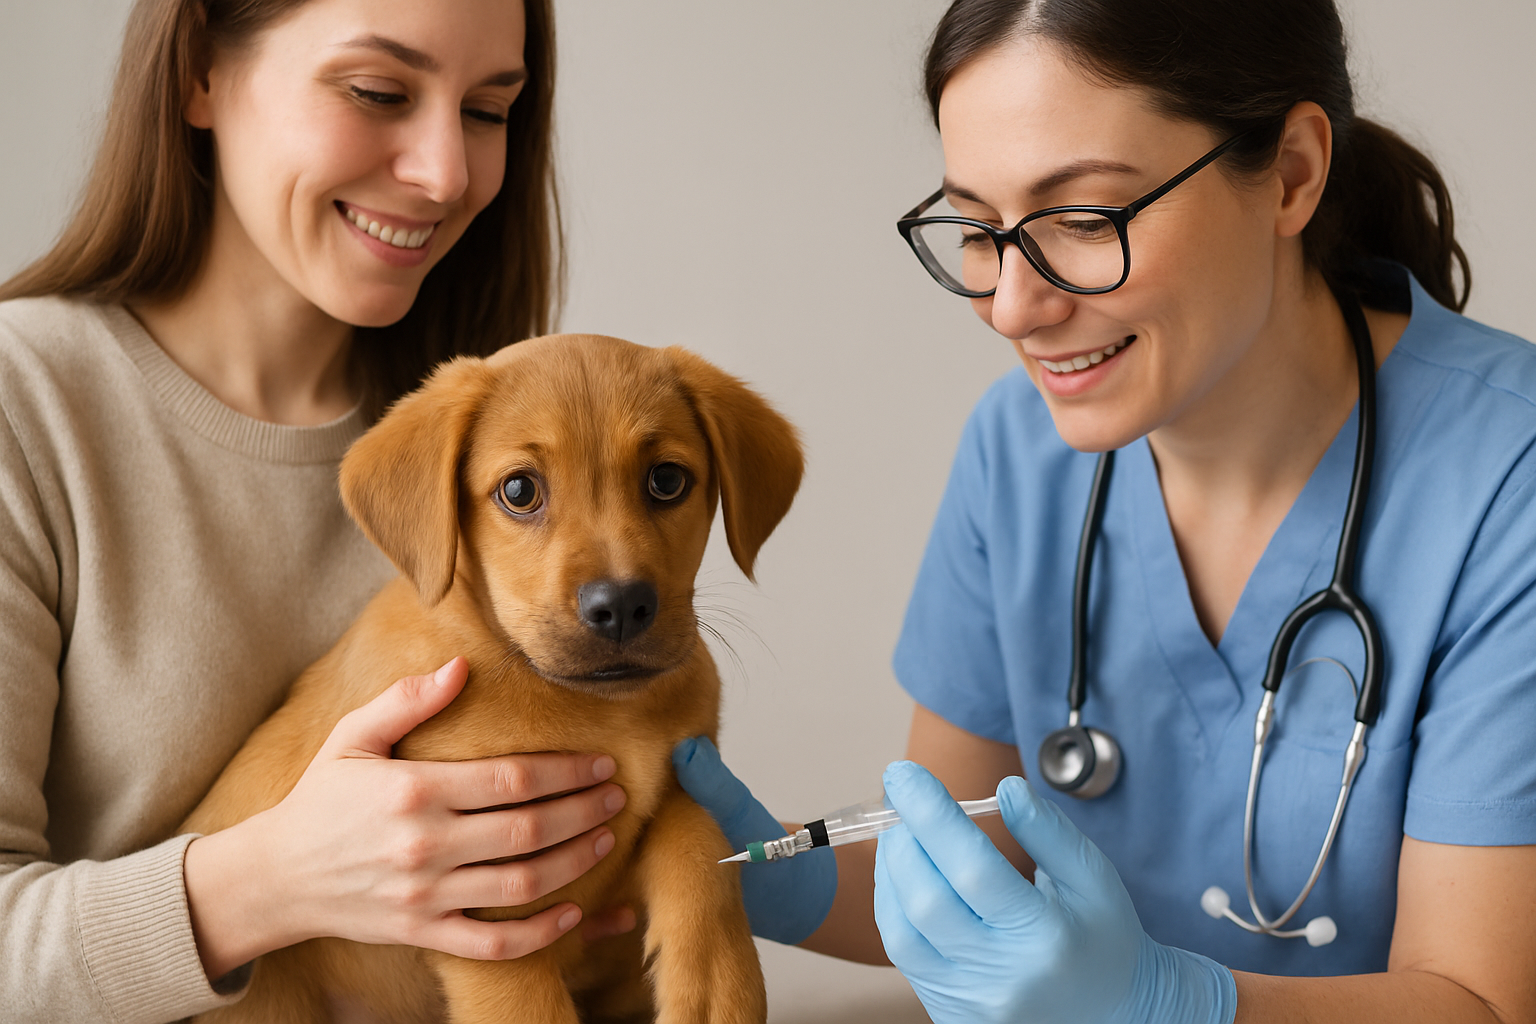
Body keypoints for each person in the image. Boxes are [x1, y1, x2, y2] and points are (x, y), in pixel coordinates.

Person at [675, 1, 1536, 1021]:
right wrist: (740, 864)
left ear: (1294, 173)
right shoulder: (1020, 451)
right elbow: (964, 863)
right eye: (981, 230)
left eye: (1084, 219)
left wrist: (1172, 1003)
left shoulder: (1505, 477)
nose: (1011, 306)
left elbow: (1482, 999)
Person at [0, 1, 634, 1021]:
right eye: (377, 92)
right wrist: (274, 881)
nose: (446, 173)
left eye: (486, 110)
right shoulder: (24, 405)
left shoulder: (500, 453)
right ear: (201, 71)